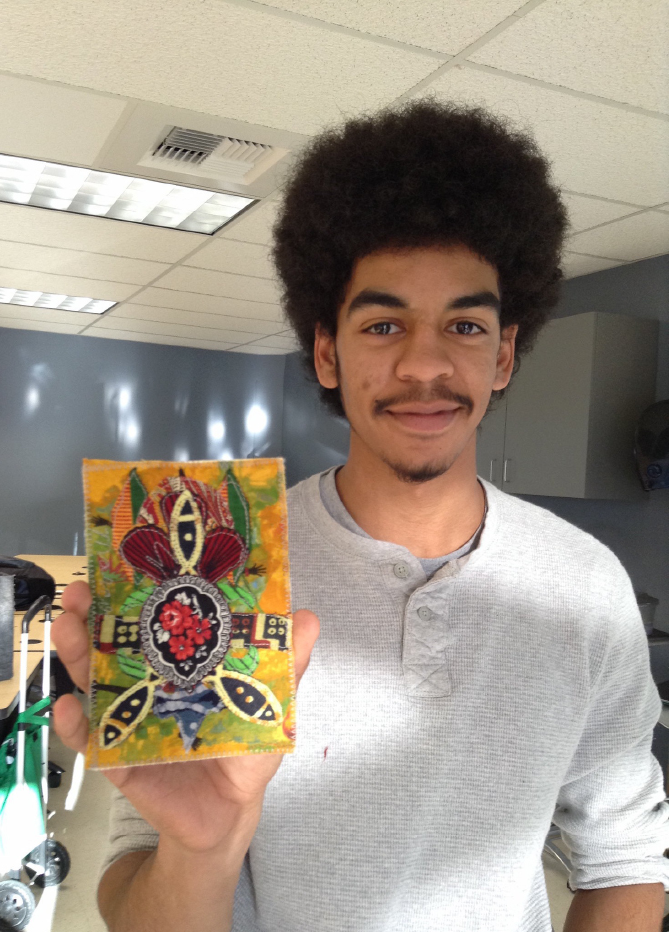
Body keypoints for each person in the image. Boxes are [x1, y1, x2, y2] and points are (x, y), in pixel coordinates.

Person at [52, 99, 669, 932]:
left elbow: (622, 865)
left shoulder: (586, 586)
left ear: (503, 356)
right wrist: (203, 848)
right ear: (326, 352)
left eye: (463, 324)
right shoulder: (213, 574)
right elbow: (136, 898)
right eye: (384, 324)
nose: (424, 364)